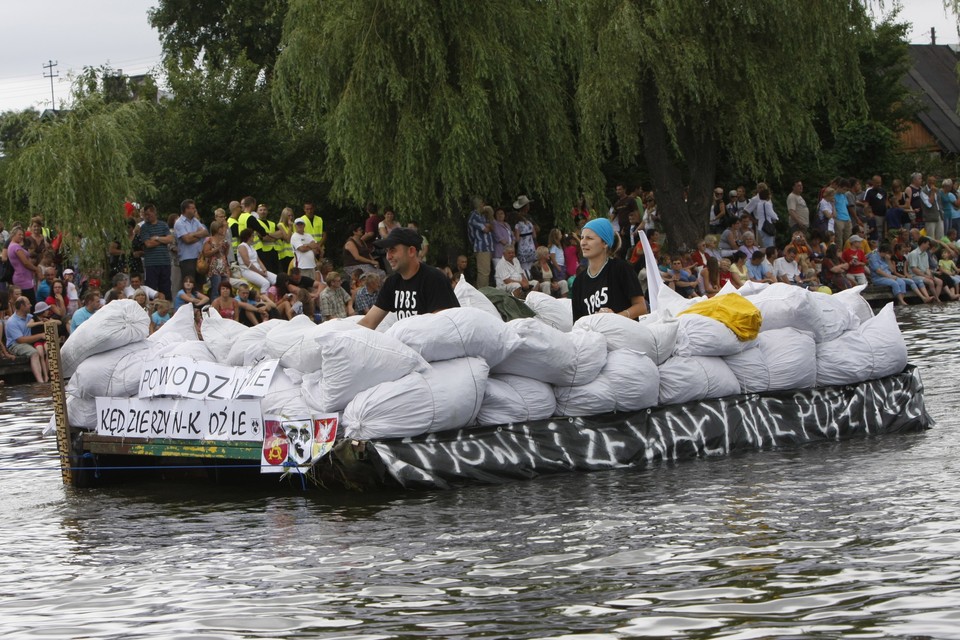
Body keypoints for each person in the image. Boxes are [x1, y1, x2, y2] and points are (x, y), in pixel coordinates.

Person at [358, 227, 459, 330]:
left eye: (392, 250)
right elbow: (368, 322)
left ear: (411, 251)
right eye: (387, 251)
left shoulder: (434, 279)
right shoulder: (392, 283)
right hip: (404, 344)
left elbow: (443, 326)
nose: (388, 257)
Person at [571, 217, 646, 322]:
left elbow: (641, 307)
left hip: (622, 334)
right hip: (593, 337)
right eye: (582, 237)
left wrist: (614, 318)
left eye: (589, 238)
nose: (583, 242)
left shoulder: (621, 268)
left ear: (605, 243)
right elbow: (577, 323)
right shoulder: (578, 282)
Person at [4, 296, 47, 383]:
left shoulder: (30, 317)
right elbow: (20, 340)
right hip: (15, 345)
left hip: (30, 342)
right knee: (34, 353)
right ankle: (40, 381)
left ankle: (48, 376)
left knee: (45, 349)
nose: (31, 305)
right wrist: (40, 336)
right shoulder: (12, 322)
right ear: (22, 306)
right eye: (28, 304)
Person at [140, 204, 174, 300]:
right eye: (145, 215)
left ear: (154, 213)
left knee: (166, 287)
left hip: (165, 261)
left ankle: (166, 308)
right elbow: (148, 244)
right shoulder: (144, 227)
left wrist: (157, 238)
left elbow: (170, 239)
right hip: (151, 263)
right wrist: (162, 240)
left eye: (148, 214)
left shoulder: (163, 225)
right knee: (151, 288)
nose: (147, 217)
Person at [173, 199, 209, 288]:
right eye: (193, 208)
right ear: (186, 210)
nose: (195, 210)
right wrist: (198, 235)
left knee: (200, 284)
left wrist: (192, 234)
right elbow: (187, 240)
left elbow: (205, 232)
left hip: (199, 257)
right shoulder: (179, 223)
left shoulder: (195, 221)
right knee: (189, 284)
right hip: (187, 259)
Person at [6, 227, 42, 305]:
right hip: (22, 279)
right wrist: (36, 269)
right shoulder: (15, 247)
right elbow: (25, 262)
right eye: (19, 235)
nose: (22, 236)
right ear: (13, 235)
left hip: (25, 277)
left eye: (23, 235)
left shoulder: (13, 246)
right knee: (30, 303)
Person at [467, 198, 494, 288]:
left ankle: (485, 290)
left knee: (486, 271)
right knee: (483, 272)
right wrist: (488, 226)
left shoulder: (482, 215)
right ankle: (483, 292)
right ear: (479, 205)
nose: (484, 205)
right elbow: (486, 229)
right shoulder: (474, 216)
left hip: (488, 247)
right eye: (482, 203)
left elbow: (491, 227)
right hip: (481, 247)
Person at [202, 220, 231, 299]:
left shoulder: (224, 240)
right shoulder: (209, 240)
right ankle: (214, 308)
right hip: (214, 268)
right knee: (216, 289)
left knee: (225, 287)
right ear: (217, 229)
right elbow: (206, 253)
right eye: (221, 228)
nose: (223, 230)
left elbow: (225, 254)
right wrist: (217, 248)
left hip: (223, 267)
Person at [513, 195, 539, 273]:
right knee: (531, 267)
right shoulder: (529, 221)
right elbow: (535, 234)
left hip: (522, 248)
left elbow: (516, 238)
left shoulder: (517, 222)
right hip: (530, 246)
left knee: (524, 268)